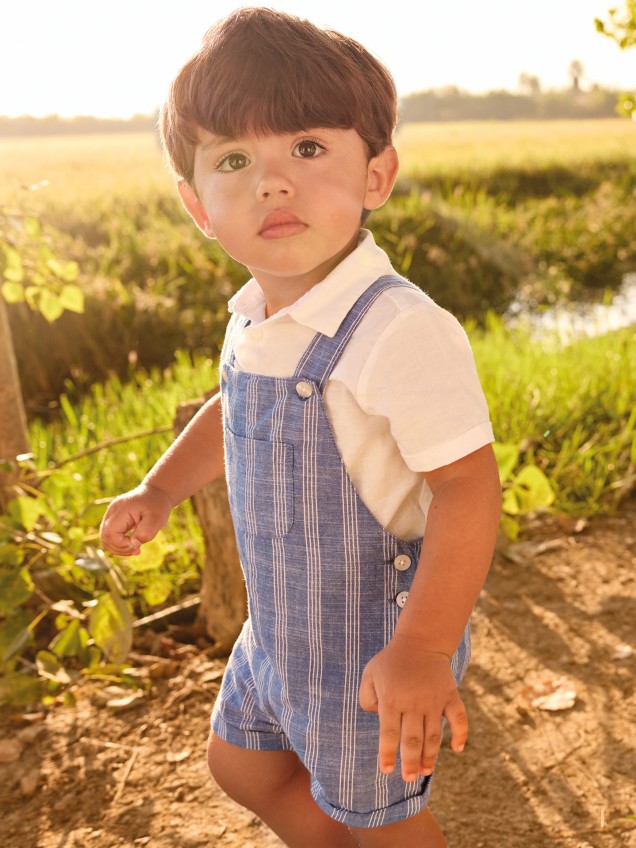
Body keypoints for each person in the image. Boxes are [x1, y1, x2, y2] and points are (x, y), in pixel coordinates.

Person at [100, 8, 502, 847]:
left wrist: (423, 651)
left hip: (376, 647)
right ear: (198, 206)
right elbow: (234, 408)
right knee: (239, 765)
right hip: (280, 630)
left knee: (387, 823)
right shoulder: (254, 317)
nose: (271, 183)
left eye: (308, 150)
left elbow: (467, 488)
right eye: (235, 160)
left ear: (377, 173)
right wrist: (163, 487)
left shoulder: (397, 329)